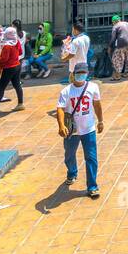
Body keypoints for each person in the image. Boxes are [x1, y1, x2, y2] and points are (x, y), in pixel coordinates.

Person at [56, 64, 104, 198]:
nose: (81, 75)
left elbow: (97, 104)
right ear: (74, 74)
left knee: (91, 157)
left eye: (83, 73)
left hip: (88, 128)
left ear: (87, 73)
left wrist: (100, 121)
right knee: (69, 154)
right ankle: (72, 172)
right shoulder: (66, 91)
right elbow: (60, 108)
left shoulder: (93, 87)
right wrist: (61, 125)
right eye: (78, 73)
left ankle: (92, 186)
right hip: (72, 130)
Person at [0, 26, 25, 111]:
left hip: (8, 68)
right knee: (17, 85)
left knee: (1, 87)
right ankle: (20, 104)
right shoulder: (17, 42)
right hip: (17, 65)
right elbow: (20, 52)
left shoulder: (7, 46)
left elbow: (4, 59)